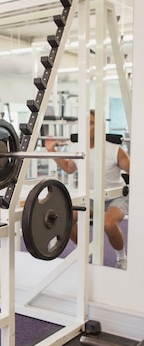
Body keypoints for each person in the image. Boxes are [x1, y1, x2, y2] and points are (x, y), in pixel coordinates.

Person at [45, 110, 130, 269]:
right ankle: (86, 252)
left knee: (109, 224)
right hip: (91, 197)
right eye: (83, 124)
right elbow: (70, 168)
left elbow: (135, 173)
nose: (85, 127)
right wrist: (51, 151)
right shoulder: (78, 148)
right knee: (66, 221)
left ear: (100, 127)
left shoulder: (115, 150)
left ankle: (122, 257)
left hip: (116, 196)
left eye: (90, 123)